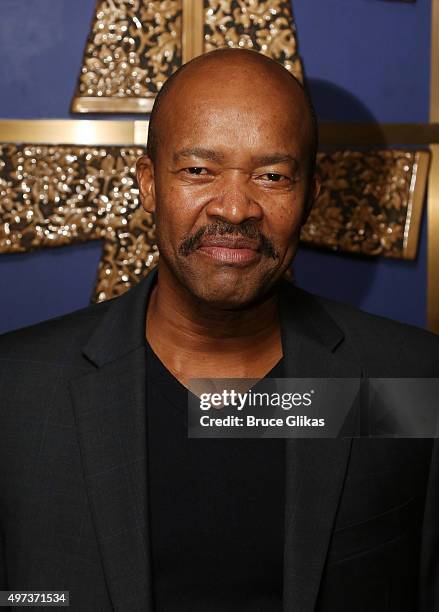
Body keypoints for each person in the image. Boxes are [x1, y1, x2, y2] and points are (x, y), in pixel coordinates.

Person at [0, 48, 438, 612]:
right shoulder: (15, 392)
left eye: (273, 175)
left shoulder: (410, 380)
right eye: (199, 170)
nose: (234, 208)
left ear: (311, 197)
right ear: (150, 184)